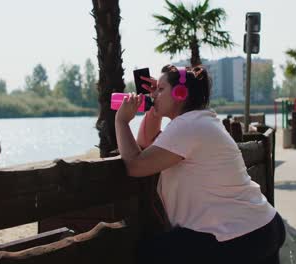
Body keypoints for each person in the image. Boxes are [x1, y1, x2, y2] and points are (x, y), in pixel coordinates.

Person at [115, 65, 285, 263]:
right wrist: (156, 106)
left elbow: (135, 165)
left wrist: (121, 122)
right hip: (263, 226)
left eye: (160, 89)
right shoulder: (201, 121)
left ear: (180, 93)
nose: (154, 94)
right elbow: (147, 142)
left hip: (237, 236)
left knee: (147, 252)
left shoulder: (188, 126)